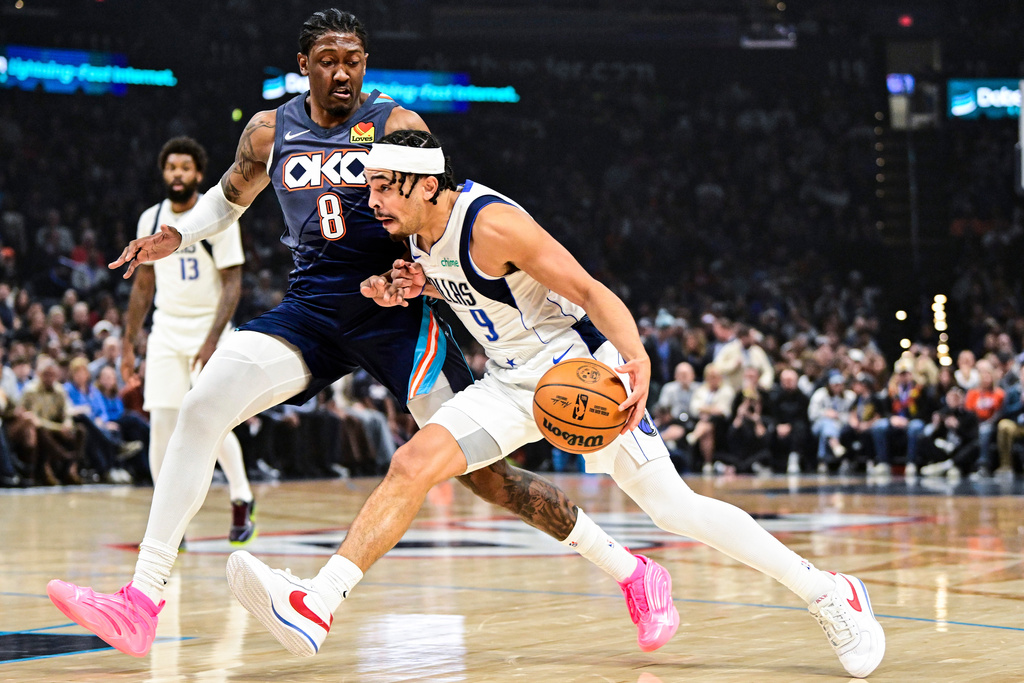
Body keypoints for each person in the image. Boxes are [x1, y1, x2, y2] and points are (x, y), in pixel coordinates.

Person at [47, 9, 674, 660]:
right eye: (328, 59)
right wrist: (180, 233)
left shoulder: (397, 125)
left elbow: (438, 207)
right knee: (203, 403)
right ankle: (141, 601)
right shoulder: (269, 131)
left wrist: (421, 275)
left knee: (490, 479)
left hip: (395, 313)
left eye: (353, 59)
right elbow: (227, 198)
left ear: (365, 65)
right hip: (312, 308)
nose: (342, 70)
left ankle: (633, 572)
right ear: (304, 67)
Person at [224, 131, 884, 678]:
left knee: (673, 506)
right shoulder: (415, 233)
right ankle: (318, 602)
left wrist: (637, 362)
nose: (373, 199)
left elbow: (593, 291)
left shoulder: (494, 223)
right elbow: (464, 289)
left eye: (384, 185)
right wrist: (414, 286)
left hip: (581, 372)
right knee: (413, 461)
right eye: (369, 186)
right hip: (512, 381)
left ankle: (830, 591)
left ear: (429, 183)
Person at [122, 136, 256, 543]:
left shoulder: (217, 218)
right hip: (166, 329)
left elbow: (232, 283)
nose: (177, 174)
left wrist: (214, 337)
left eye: (184, 167)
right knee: (162, 423)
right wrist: (130, 343)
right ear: (164, 173)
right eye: (171, 167)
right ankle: (169, 526)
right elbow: (142, 286)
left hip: (207, 329)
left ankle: (241, 495)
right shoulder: (151, 219)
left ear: (198, 174)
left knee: (207, 420)